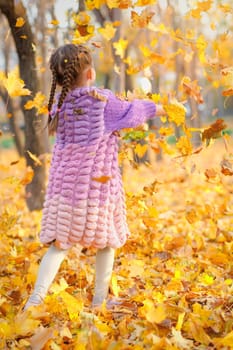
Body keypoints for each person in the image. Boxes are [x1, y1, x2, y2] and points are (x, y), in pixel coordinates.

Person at [24, 44, 166, 310]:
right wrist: (161, 108)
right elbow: (133, 113)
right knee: (106, 242)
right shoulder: (102, 102)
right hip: (96, 192)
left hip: (65, 193)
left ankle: (36, 298)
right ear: (89, 74)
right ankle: (99, 300)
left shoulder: (59, 105)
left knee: (58, 246)